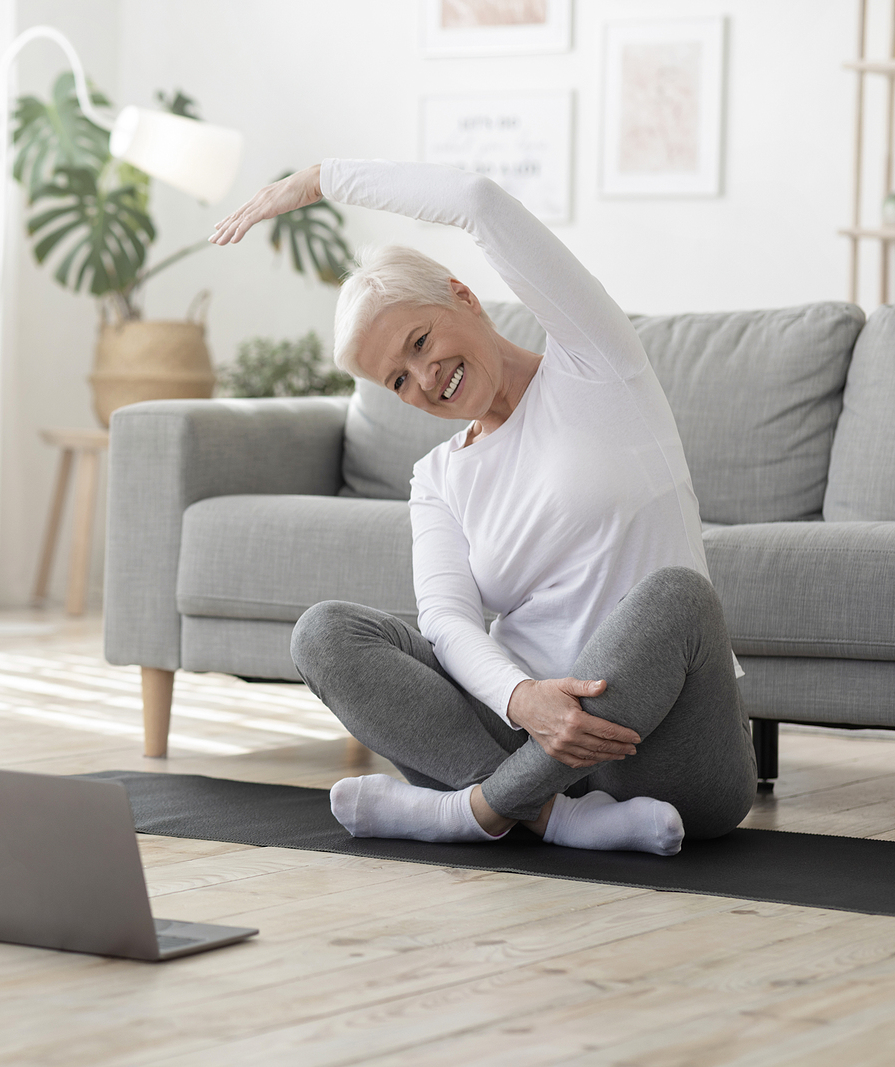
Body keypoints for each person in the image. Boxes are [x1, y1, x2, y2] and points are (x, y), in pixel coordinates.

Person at [208, 160, 754, 856]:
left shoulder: (595, 361)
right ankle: (549, 814)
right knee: (323, 633)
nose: (424, 377)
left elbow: (478, 202)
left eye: (419, 342)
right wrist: (524, 700)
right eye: (398, 378)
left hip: (665, 751)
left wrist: (319, 180)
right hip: (520, 731)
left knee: (678, 598)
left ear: (463, 296)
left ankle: (469, 813)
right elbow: (447, 620)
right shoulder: (437, 477)